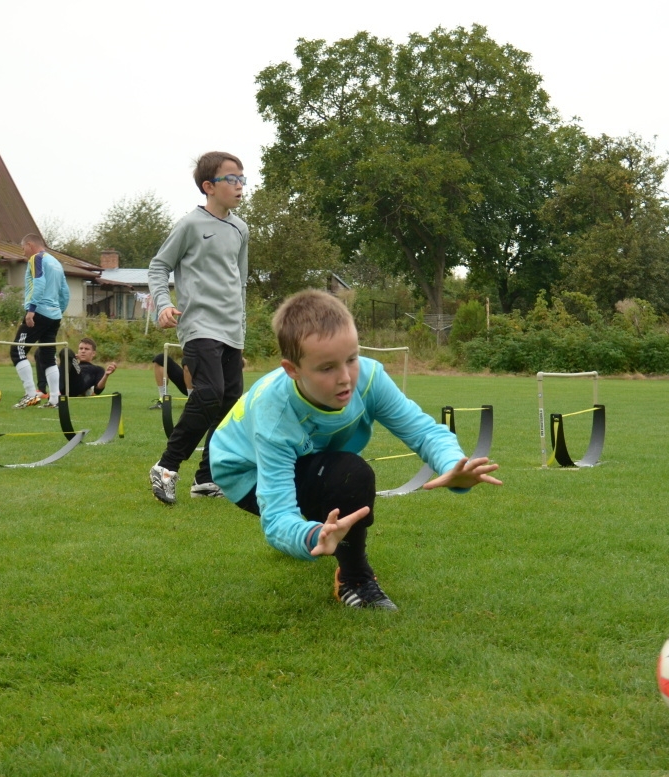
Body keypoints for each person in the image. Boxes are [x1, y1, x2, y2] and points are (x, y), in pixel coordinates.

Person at [209, 290, 502, 611]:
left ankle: (347, 566)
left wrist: (451, 465)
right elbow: (277, 516)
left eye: (352, 359)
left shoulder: (370, 377)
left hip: (309, 458)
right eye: (326, 368)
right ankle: (355, 579)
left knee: (342, 474)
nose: (346, 378)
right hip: (243, 471)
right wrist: (312, 536)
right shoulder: (275, 415)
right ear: (292, 370)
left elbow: (422, 430)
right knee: (349, 475)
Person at [147, 151, 248, 503]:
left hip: (231, 330)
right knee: (207, 396)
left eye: (242, 178)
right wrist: (163, 304)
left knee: (229, 403)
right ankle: (166, 466)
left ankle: (206, 478)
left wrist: (241, 335)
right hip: (200, 325)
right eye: (231, 179)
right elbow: (159, 267)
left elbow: (241, 284)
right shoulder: (189, 225)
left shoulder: (241, 228)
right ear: (209, 186)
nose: (239, 185)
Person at [9, 233, 69, 409]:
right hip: (54, 315)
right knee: (47, 356)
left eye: (23, 248)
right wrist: (59, 312)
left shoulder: (36, 258)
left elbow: (39, 283)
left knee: (17, 350)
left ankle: (30, 394)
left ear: (29, 244)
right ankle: (55, 399)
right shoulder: (56, 263)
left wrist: (31, 310)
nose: (23, 253)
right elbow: (65, 292)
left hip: (39, 312)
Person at [43, 337, 116, 403]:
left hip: (79, 384)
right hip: (66, 383)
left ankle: (57, 393)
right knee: (40, 352)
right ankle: (42, 390)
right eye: (81, 349)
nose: (83, 351)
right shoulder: (74, 364)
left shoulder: (97, 369)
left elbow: (98, 390)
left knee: (66, 351)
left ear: (93, 353)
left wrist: (106, 375)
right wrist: (70, 359)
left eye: (86, 349)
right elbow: (61, 371)